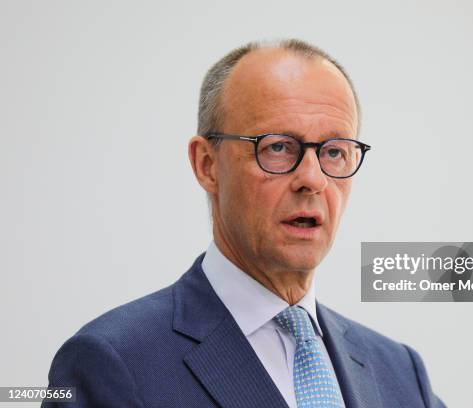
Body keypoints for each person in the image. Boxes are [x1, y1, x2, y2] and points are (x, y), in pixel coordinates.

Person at [44, 39, 446, 408]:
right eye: (277, 147)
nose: (313, 179)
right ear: (207, 165)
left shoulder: (400, 373)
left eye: (334, 151)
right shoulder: (112, 361)